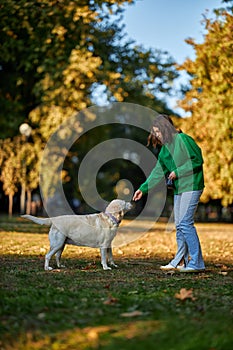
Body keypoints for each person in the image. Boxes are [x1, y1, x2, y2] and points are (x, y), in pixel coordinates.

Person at [133, 114, 205, 272]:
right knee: (179, 225)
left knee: (185, 223)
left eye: (158, 131)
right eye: (155, 132)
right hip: (180, 188)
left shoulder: (184, 140)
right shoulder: (164, 150)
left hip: (192, 185)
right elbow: (157, 173)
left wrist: (178, 172)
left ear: (166, 128)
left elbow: (197, 161)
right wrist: (142, 189)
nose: (156, 135)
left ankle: (197, 263)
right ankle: (180, 261)